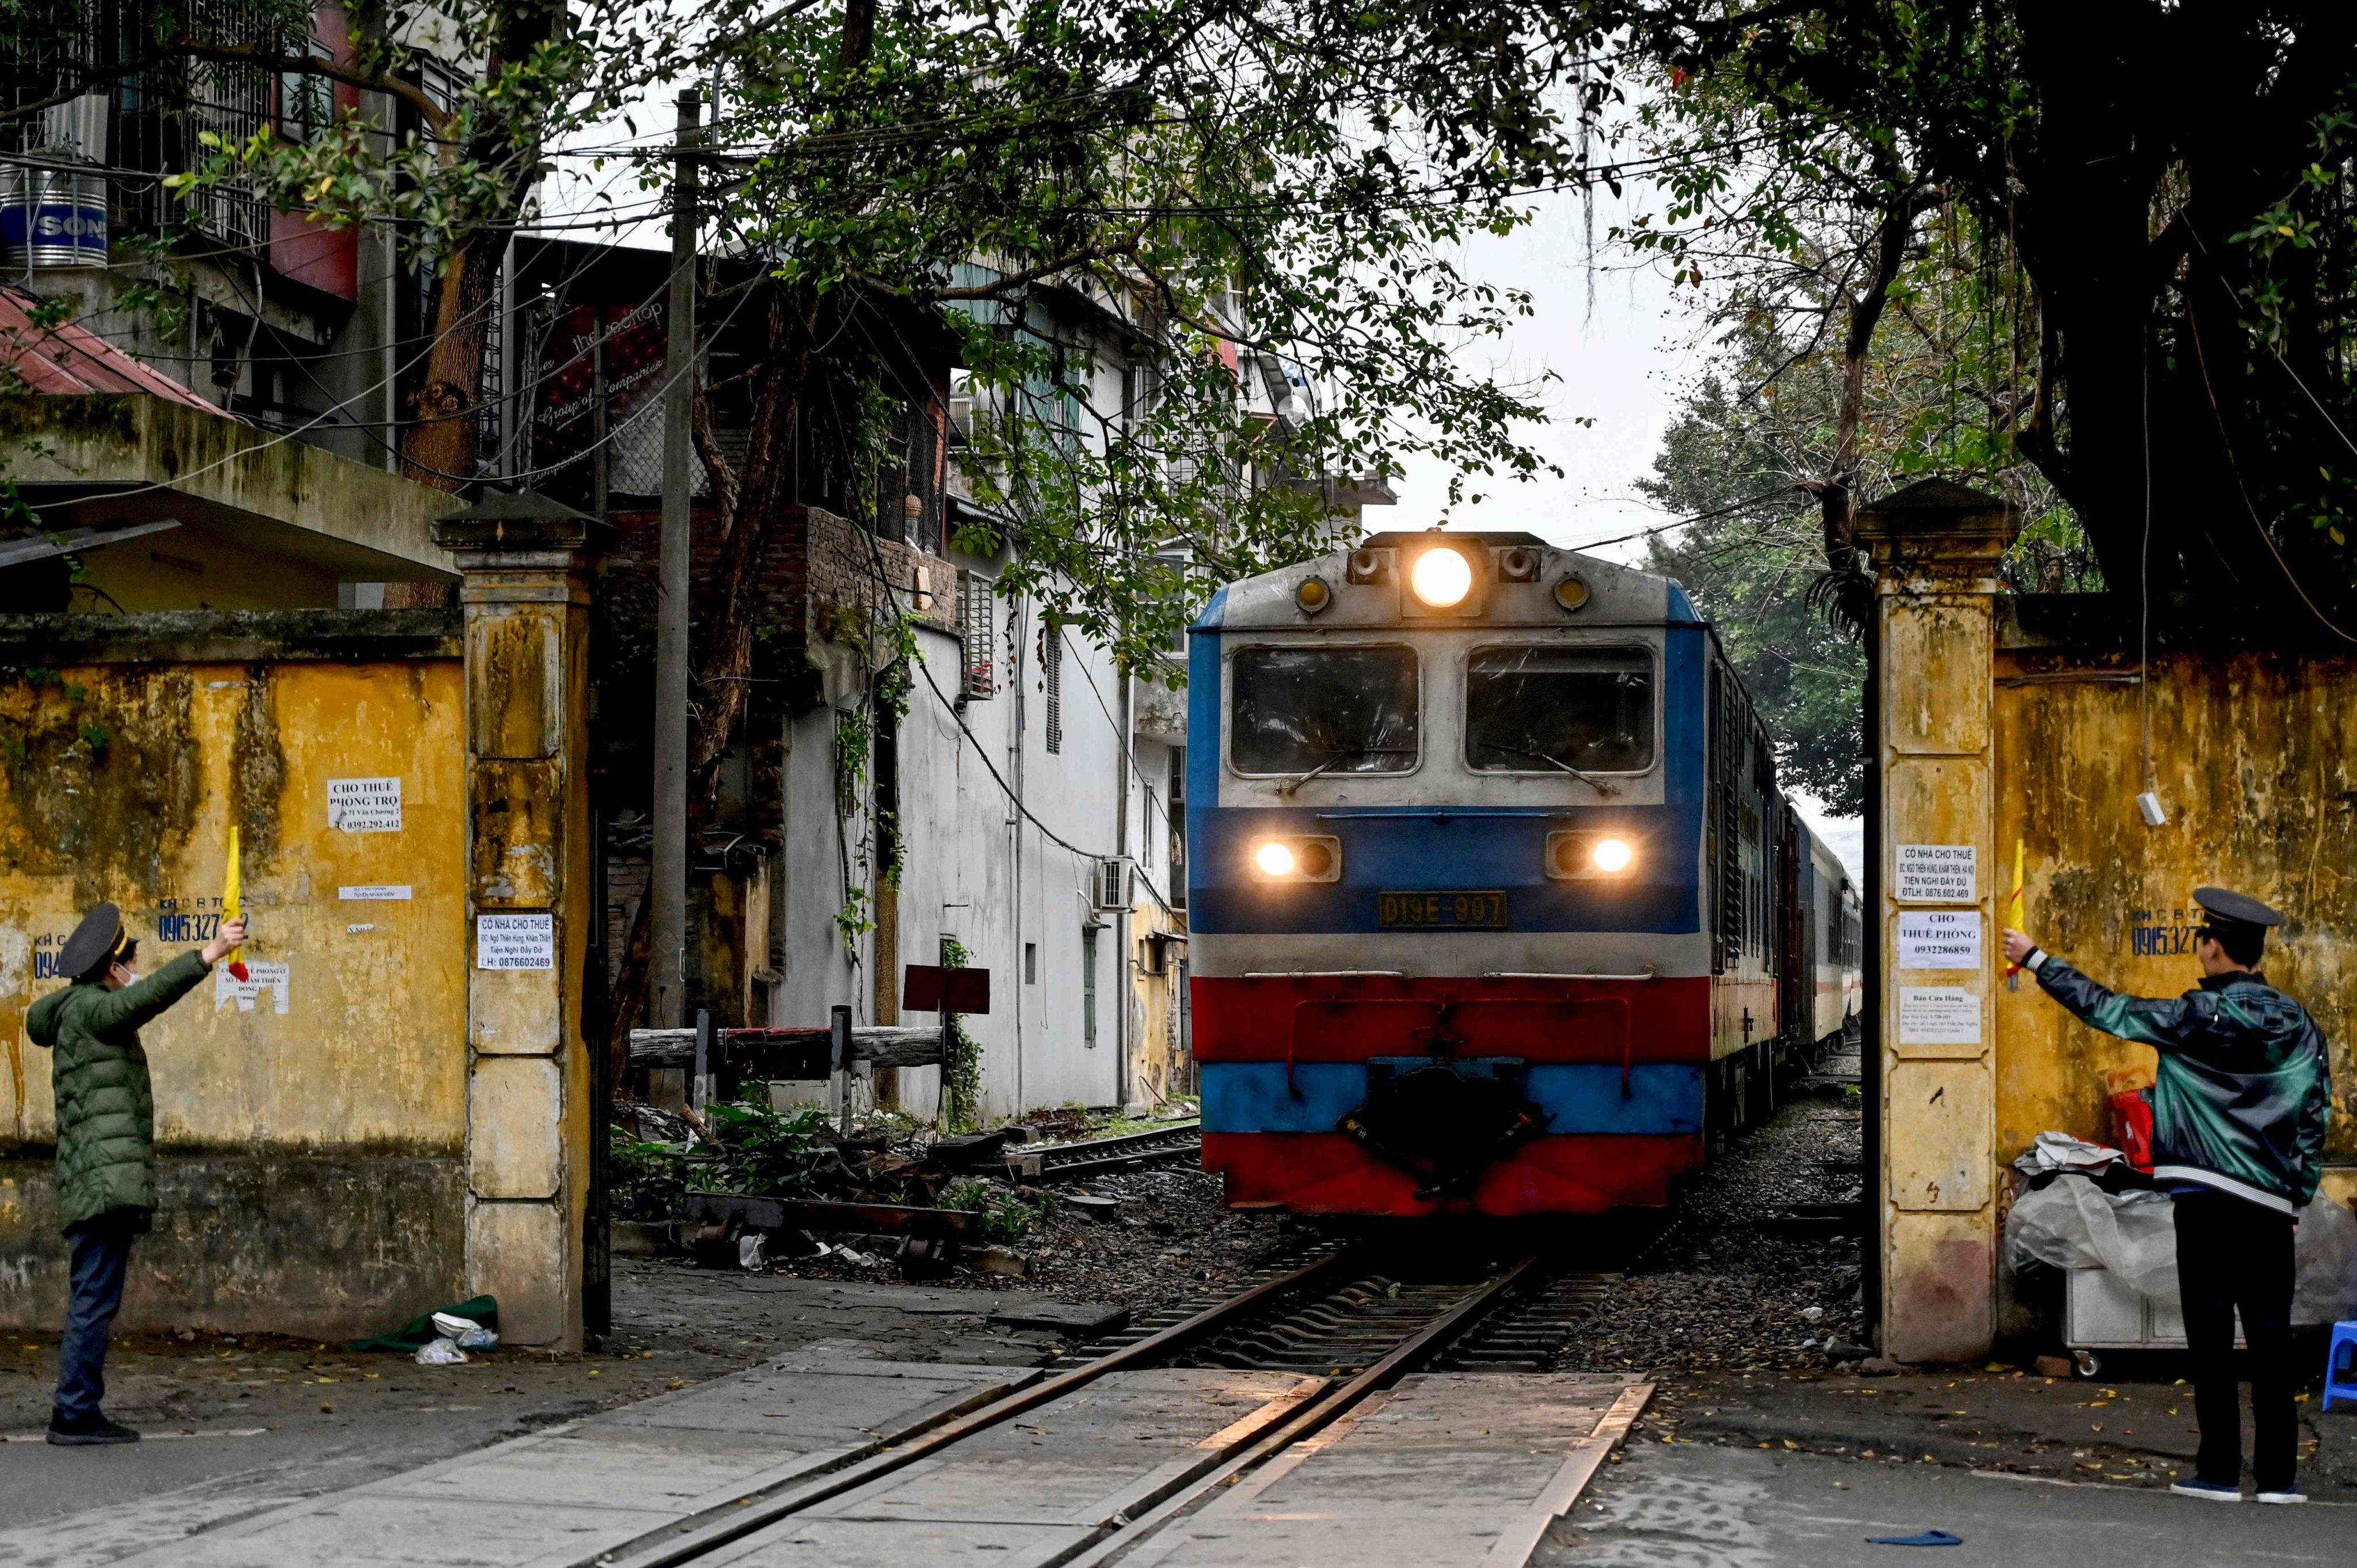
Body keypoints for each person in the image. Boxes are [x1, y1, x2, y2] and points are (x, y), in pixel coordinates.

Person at [2003, 888, 2331, 1505]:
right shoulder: (2300, 1027)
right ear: (2257, 955)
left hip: (2206, 1201)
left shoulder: (2195, 1018)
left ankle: (2219, 1472)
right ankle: (2281, 1480)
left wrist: (2038, 959)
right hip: (2270, 1210)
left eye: (2202, 941)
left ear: (2213, 948)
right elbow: (2316, 1116)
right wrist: (2297, 1196)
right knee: (2271, 1340)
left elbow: (2107, 1009)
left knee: (2210, 1339)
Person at [26, 901, 247, 1445]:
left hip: (98, 1181)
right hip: (105, 1184)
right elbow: (149, 996)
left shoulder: (71, 1009)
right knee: (94, 1299)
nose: (132, 970)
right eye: (128, 961)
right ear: (112, 967)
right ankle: (75, 1413)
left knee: (93, 1296)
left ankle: (77, 1408)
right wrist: (210, 953)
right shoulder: (93, 1010)